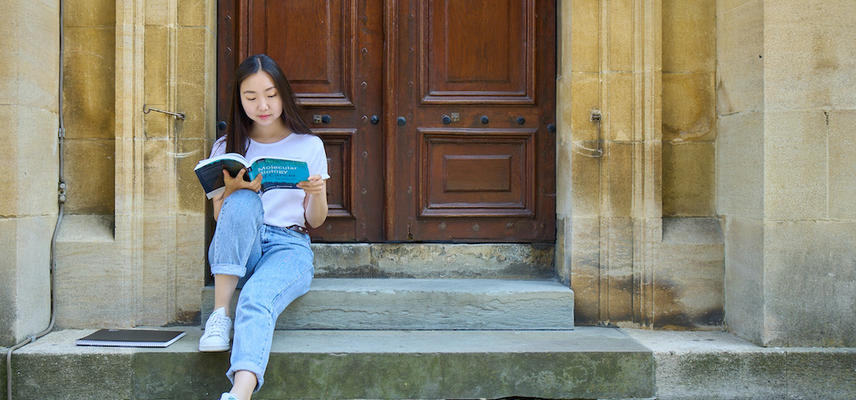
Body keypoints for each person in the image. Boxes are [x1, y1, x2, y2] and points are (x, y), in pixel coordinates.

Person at [198, 54, 329, 400]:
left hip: (289, 246)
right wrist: (234, 191)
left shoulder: (308, 145)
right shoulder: (227, 148)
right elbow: (221, 220)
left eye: (270, 95)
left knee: (256, 298)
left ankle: (239, 393)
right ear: (239, 101)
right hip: (244, 248)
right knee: (241, 202)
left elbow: (315, 220)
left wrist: (316, 194)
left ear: (283, 94)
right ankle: (219, 315)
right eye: (251, 97)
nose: (263, 105)